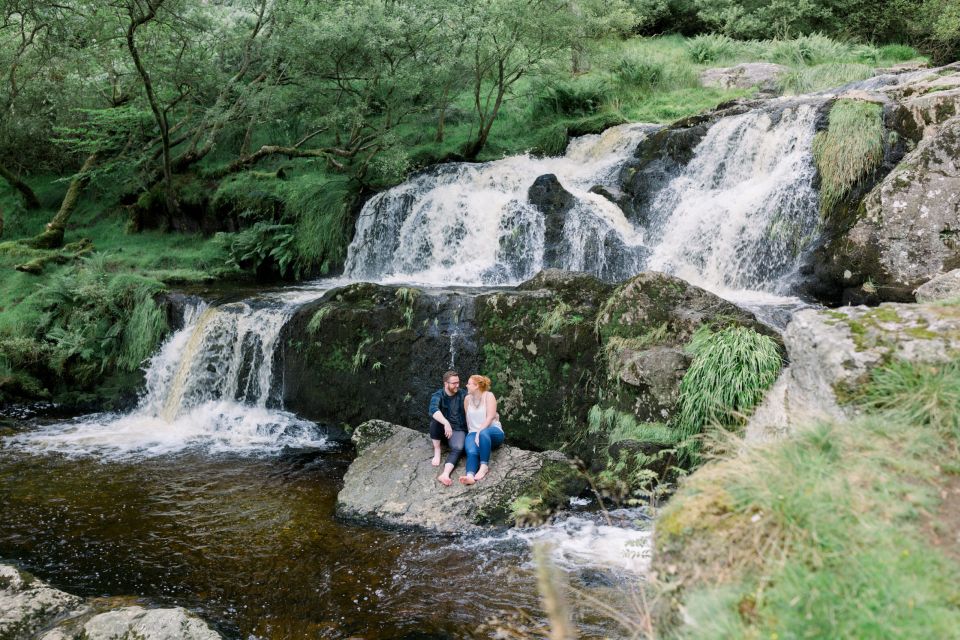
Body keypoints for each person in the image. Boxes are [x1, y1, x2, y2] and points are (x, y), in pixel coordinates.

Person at [459, 374, 505, 485]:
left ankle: (484, 466)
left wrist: (479, 432)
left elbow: (491, 417)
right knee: (471, 451)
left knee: (483, 433)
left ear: (476, 386)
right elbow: (468, 419)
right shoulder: (467, 399)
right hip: (473, 432)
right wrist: (472, 435)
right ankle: (470, 476)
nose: (466, 385)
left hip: (492, 431)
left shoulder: (488, 396)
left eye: (469, 384)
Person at [429, 370, 468, 486]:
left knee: (458, 447)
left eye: (458, 382)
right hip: (442, 428)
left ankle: (445, 474)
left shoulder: (463, 394)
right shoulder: (438, 395)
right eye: (454, 383)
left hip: (458, 429)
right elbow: (433, 409)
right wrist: (446, 423)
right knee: (435, 421)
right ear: (446, 384)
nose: (457, 385)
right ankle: (437, 449)